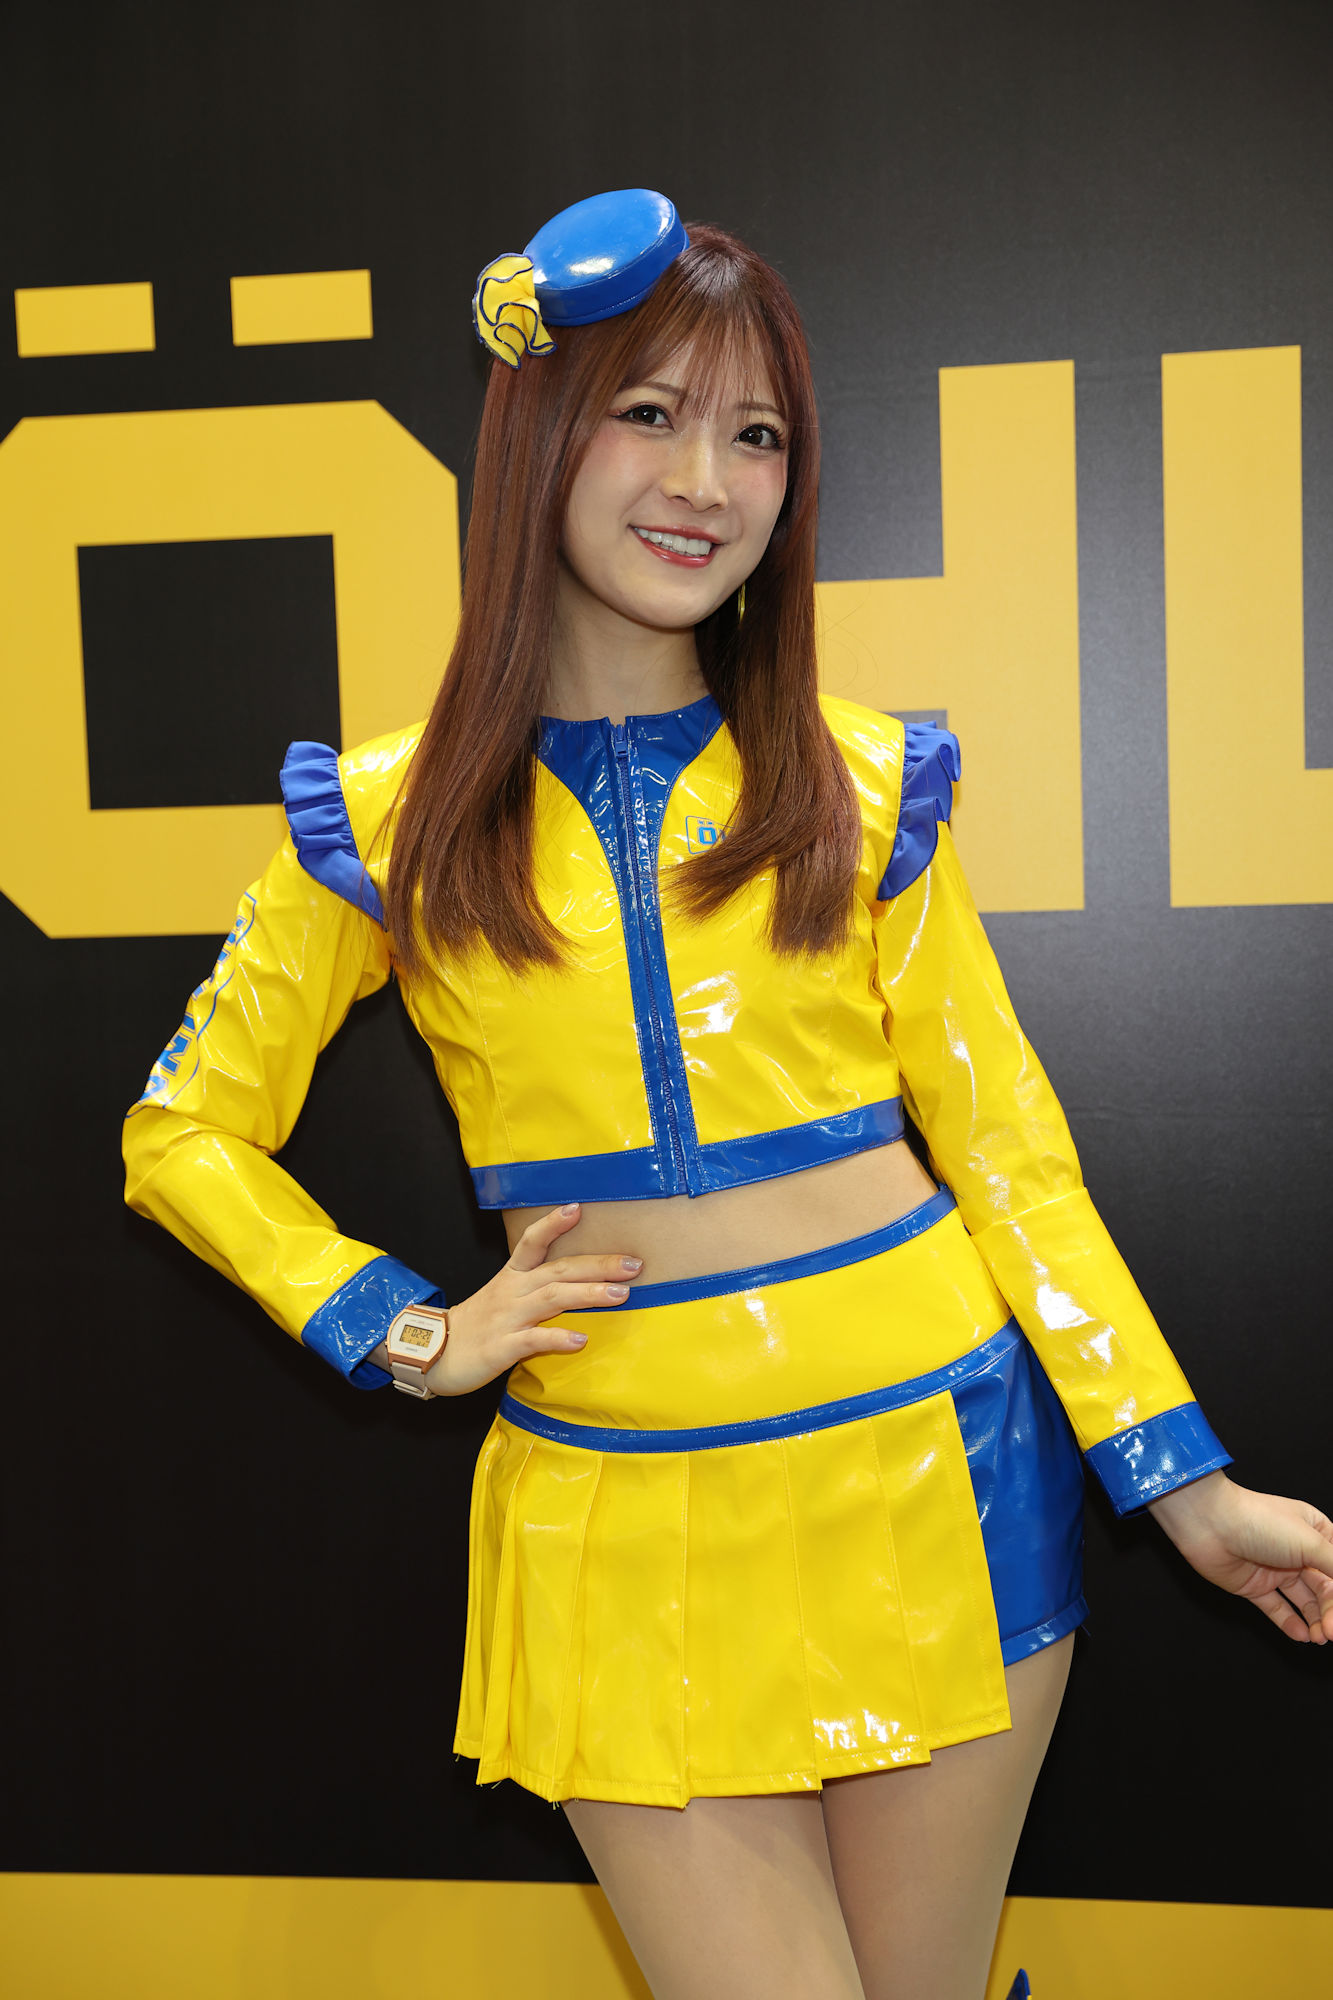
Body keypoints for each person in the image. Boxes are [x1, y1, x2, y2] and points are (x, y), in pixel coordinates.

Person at [122, 190, 1333, 2000]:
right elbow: (181, 1131)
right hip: (618, 1514)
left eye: (755, 435)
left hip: (934, 1472)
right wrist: (406, 1331)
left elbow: (1006, 1153)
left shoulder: (863, 785)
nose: (707, 480)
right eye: (650, 413)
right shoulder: (385, 820)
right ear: (539, 433)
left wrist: (1182, 1484)